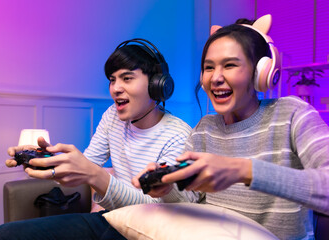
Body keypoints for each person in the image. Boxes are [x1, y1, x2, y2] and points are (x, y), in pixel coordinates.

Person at [133, 15, 329, 239]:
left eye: (230, 65)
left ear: (260, 73)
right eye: (208, 67)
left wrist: (244, 170)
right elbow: (191, 200)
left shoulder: (293, 114)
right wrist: (168, 190)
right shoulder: (203, 130)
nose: (215, 78)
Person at [0, 38, 197, 240]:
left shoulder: (178, 135)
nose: (115, 88)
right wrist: (46, 160)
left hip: (151, 229)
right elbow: (87, 165)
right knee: (3, 235)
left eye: (127, 78)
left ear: (156, 85)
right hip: (112, 219)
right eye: (112, 80)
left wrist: (97, 176)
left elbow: (159, 207)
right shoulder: (112, 116)